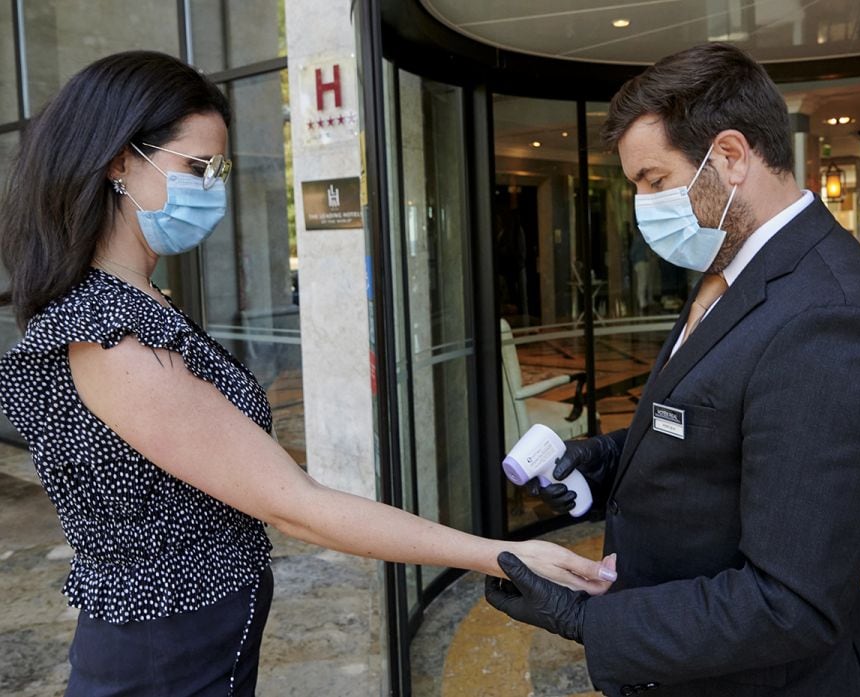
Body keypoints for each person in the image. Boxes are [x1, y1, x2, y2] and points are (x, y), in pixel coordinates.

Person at [0, 51, 616, 696]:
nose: (212, 187)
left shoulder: (137, 300)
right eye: (197, 167)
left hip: (190, 635)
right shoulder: (109, 333)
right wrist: (502, 553)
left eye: (220, 169)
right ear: (122, 161)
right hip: (164, 651)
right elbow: (298, 508)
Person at [486, 42, 860, 696]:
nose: (643, 207)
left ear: (729, 157)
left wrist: (590, 619)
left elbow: (791, 602)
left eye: (654, 181)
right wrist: (604, 462)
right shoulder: (733, 263)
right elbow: (714, 430)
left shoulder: (828, 321)